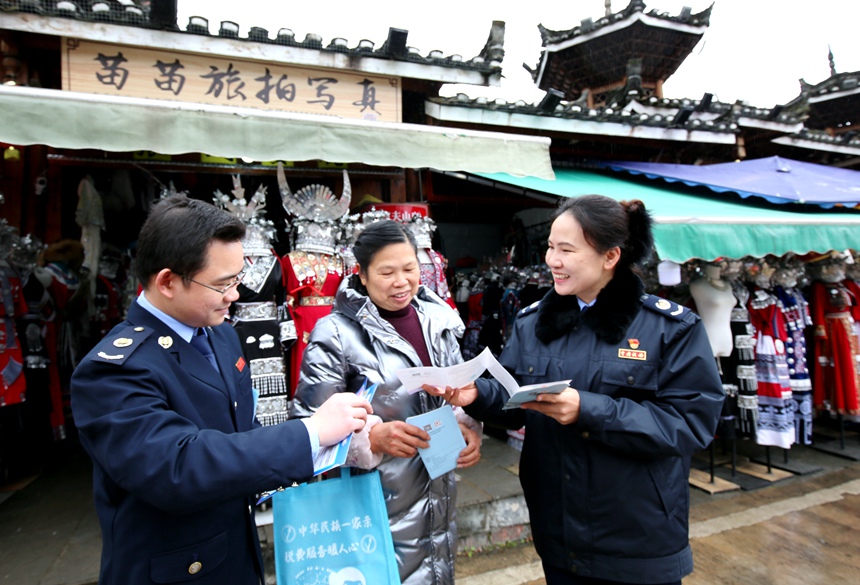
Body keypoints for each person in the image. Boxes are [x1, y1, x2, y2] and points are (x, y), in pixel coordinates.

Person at [70, 195, 372, 585]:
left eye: (237, 279)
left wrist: (337, 445)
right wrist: (311, 432)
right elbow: (179, 467)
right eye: (222, 284)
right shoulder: (113, 370)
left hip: (235, 557)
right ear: (167, 282)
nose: (235, 295)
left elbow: (241, 441)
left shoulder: (221, 336)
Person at [426, 195, 724, 585]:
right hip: (558, 531)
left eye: (567, 249)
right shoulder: (533, 322)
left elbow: (692, 423)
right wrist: (478, 396)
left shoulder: (671, 329)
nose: (552, 260)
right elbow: (516, 401)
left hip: (638, 537)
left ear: (610, 256)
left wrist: (589, 408)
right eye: (550, 246)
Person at [290, 219, 482, 585]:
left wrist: (466, 426)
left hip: (438, 491)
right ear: (361, 275)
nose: (401, 282)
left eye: (409, 269)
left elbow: (456, 389)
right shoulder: (336, 334)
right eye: (387, 272)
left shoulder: (439, 318)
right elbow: (309, 426)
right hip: (374, 498)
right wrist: (371, 440)